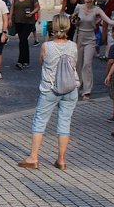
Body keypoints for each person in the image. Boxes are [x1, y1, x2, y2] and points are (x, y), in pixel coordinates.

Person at [17, 14, 78, 171]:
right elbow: (74, 63)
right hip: (70, 88)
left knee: (40, 121)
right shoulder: (73, 46)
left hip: (50, 89)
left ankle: (33, 157)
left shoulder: (47, 46)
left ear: (53, 28)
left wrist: (47, 40)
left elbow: (42, 61)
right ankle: (61, 160)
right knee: (64, 122)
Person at [72, 0, 114, 100]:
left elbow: (109, 21)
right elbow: (72, 19)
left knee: (87, 64)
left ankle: (87, 91)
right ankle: (79, 85)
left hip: (90, 38)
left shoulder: (97, 10)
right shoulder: (79, 7)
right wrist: (75, 21)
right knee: (78, 63)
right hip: (79, 36)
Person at [11, 0, 40, 70]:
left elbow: (37, 7)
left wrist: (32, 13)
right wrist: (9, 18)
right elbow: (12, 7)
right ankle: (25, 60)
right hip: (18, 20)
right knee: (23, 40)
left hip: (28, 21)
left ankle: (20, 61)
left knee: (23, 39)